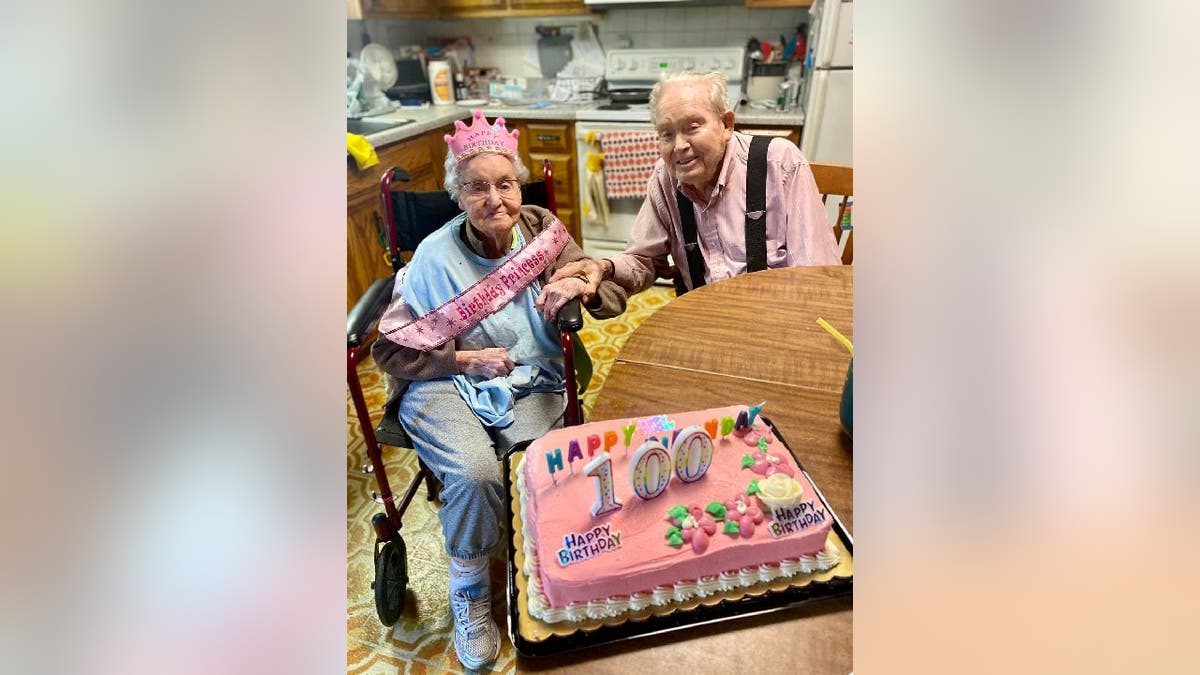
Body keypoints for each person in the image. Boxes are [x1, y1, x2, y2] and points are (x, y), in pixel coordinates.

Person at [371, 110, 626, 670]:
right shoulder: (432, 259)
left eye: (505, 183)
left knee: (545, 463)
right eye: (476, 186)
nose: (495, 199)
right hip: (442, 381)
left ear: (520, 185)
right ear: (456, 195)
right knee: (476, 472)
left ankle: (549, 562)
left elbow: (602, 294)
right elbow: (389, 350)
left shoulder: (538, 230)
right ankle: (470, 596)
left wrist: (583, 277)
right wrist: (460, 357)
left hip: (528, 374)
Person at [551, 71, 840, 298]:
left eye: (692, 127)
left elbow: (816, 277)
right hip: (700, 319)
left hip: (775, 320)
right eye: (666, 134)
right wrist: (604, 267)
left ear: (726, 124)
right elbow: (643, 260)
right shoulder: (665, 178)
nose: (679, 146)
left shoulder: (780, 162)